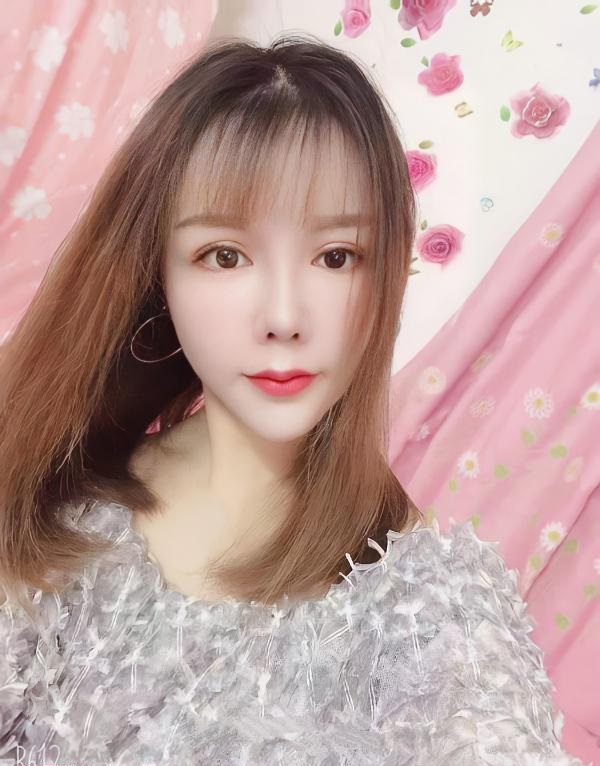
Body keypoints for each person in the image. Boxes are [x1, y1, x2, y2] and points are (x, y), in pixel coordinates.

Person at [0, 33, 588, 766]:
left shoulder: (435, 613)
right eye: (225, 255)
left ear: (387, 272)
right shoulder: (50, 498)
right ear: (159, 274)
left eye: (336, 257)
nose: (284, 317)